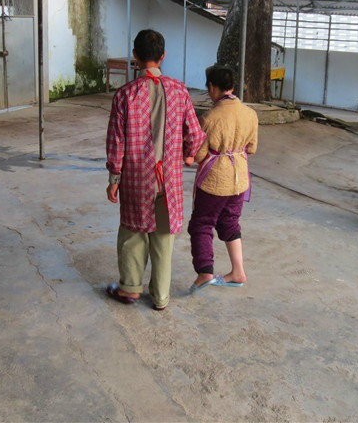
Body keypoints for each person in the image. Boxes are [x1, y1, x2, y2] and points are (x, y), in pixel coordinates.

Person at [105, 29, 206, 311]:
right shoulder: (179, 90)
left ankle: (130, 290)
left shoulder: (124, 95)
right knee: (163, 237)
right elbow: (196, 135)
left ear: (134, 56)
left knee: (132, 233)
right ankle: (161, 297)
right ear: (162, 56)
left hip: (136, 178)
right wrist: (187, 155)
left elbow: (116, 141)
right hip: (169, 180)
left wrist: (114, 178)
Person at [188, 65, 258, 292]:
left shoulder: (209, 117)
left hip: (215, 180)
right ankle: (238, 271)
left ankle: (204, 273)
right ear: (233, 86)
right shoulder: (250, 114)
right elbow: (252, 148)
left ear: (212, 87)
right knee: (229, 222)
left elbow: (198, 154)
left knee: (201, 223)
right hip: (239, 178)